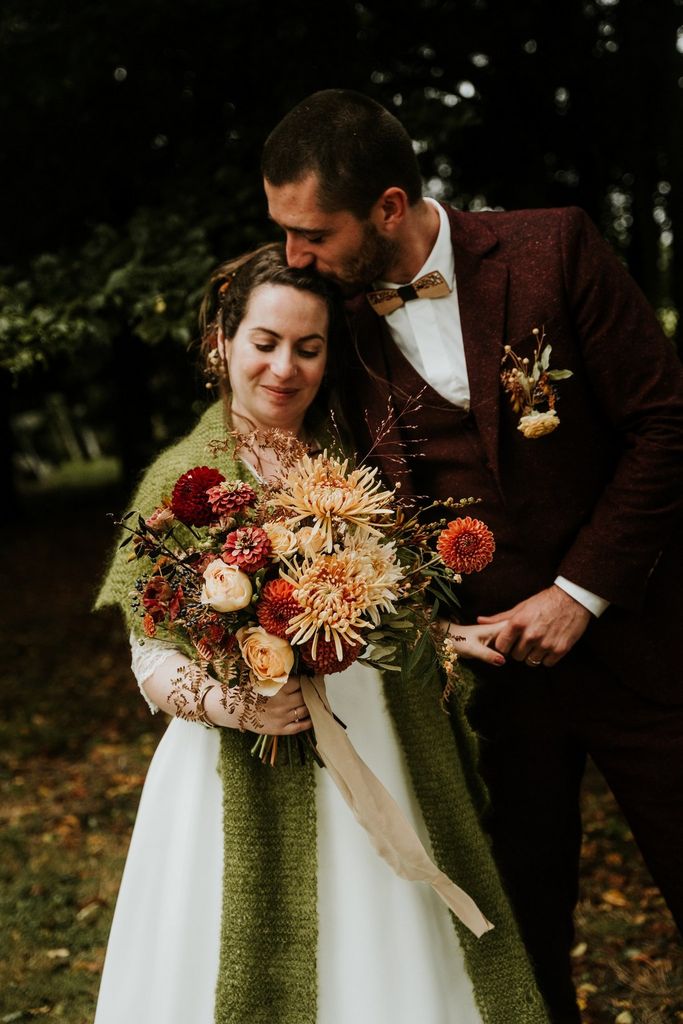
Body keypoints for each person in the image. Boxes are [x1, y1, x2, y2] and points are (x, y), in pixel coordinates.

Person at [261, 90, 683, 1024]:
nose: (294, 255)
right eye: (281, 232)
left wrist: (579, 592)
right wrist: (427, 631)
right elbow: (336, 499)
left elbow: (663, 426)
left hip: (642, 644)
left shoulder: (553, 248)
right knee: (522, 930)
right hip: (487, 687)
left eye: (311, 232)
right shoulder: (327, 321)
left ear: (387, 206)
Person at [93, 242, 550, 1024]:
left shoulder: (347, 462)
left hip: (378, 739)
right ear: (223, 343)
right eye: (264, 343)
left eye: (307, 348)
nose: (283, 368)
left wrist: (439, 639)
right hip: (243, 753)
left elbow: (375, 613)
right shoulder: (182, 478)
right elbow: (148, 657)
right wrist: (240, 706)